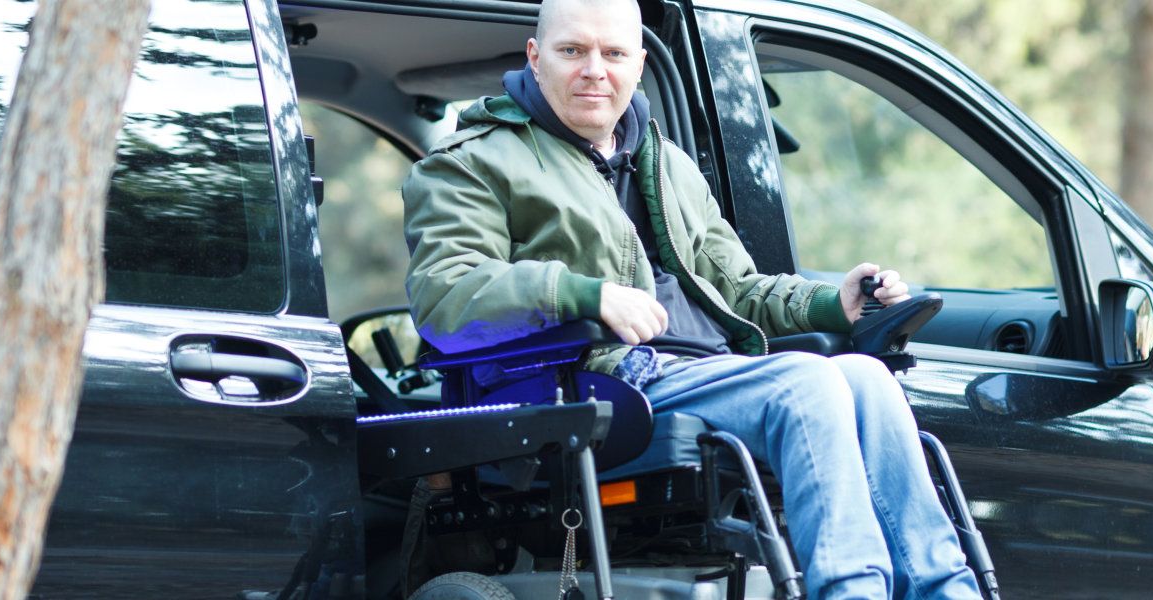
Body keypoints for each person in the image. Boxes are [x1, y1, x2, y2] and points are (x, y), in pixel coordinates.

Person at [401, 0, 981, 597]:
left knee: (865, 377)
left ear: (640, 63)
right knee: (810, 384)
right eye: (572, 50)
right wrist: (585, 295)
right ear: (535, 55)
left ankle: (945, 590)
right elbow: (446, 295)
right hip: (597, 382)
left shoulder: (666, 163)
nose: (594, 69)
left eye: (614, 53)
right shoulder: (471, 162)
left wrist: (836, 305)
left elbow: (735, 291)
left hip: (705, 371)